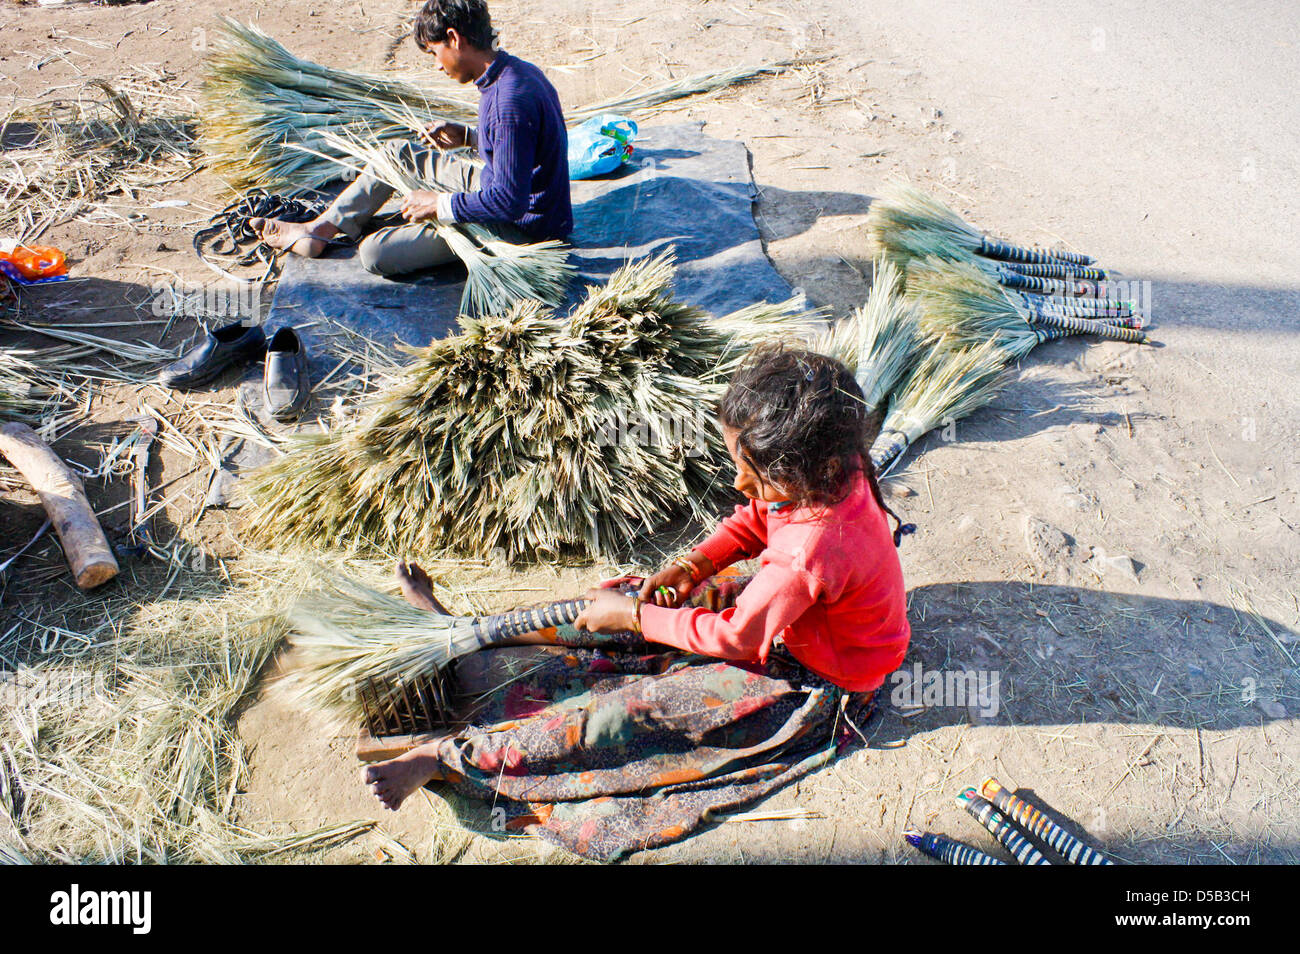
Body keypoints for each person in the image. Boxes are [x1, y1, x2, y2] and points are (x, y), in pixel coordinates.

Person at [370, 345, 912, 861]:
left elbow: (739, 640)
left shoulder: (810, 550)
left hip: (815, 681)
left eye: (751, 470)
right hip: (791, 621)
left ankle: (450, 759)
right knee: (623, 599)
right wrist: (693, 567)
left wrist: (637, 619)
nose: (738, 478)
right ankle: (466, 631)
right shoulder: (829, 471)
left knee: (636, 713)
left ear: (796, 469)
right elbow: (756, 519)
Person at [250, 0, 573, 276]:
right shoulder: (516, 71)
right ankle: (321, 228)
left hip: (524, 226)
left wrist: (441, 203)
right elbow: (523, 142)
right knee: (396, 153)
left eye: (435, 53)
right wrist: (471, 137)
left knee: (375, 253)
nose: (436, 66)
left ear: (454, 38)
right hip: (498, 185)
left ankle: (359, 228)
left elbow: (508, 202)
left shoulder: (506, 101)